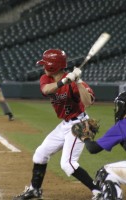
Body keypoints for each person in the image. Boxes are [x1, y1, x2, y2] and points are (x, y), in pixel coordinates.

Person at [13, 49, 101, 200]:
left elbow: (88, 102)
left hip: (78, 125)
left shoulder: (74, 82)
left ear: (53, 66)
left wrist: (78, 81)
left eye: (45, 64)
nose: (43, 67)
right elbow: (46, 90)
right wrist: (64, 81)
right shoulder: (46, 79)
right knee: (40, 154)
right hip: (64, 125)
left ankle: (98, 191)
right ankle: (35, 189)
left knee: (68, 164)